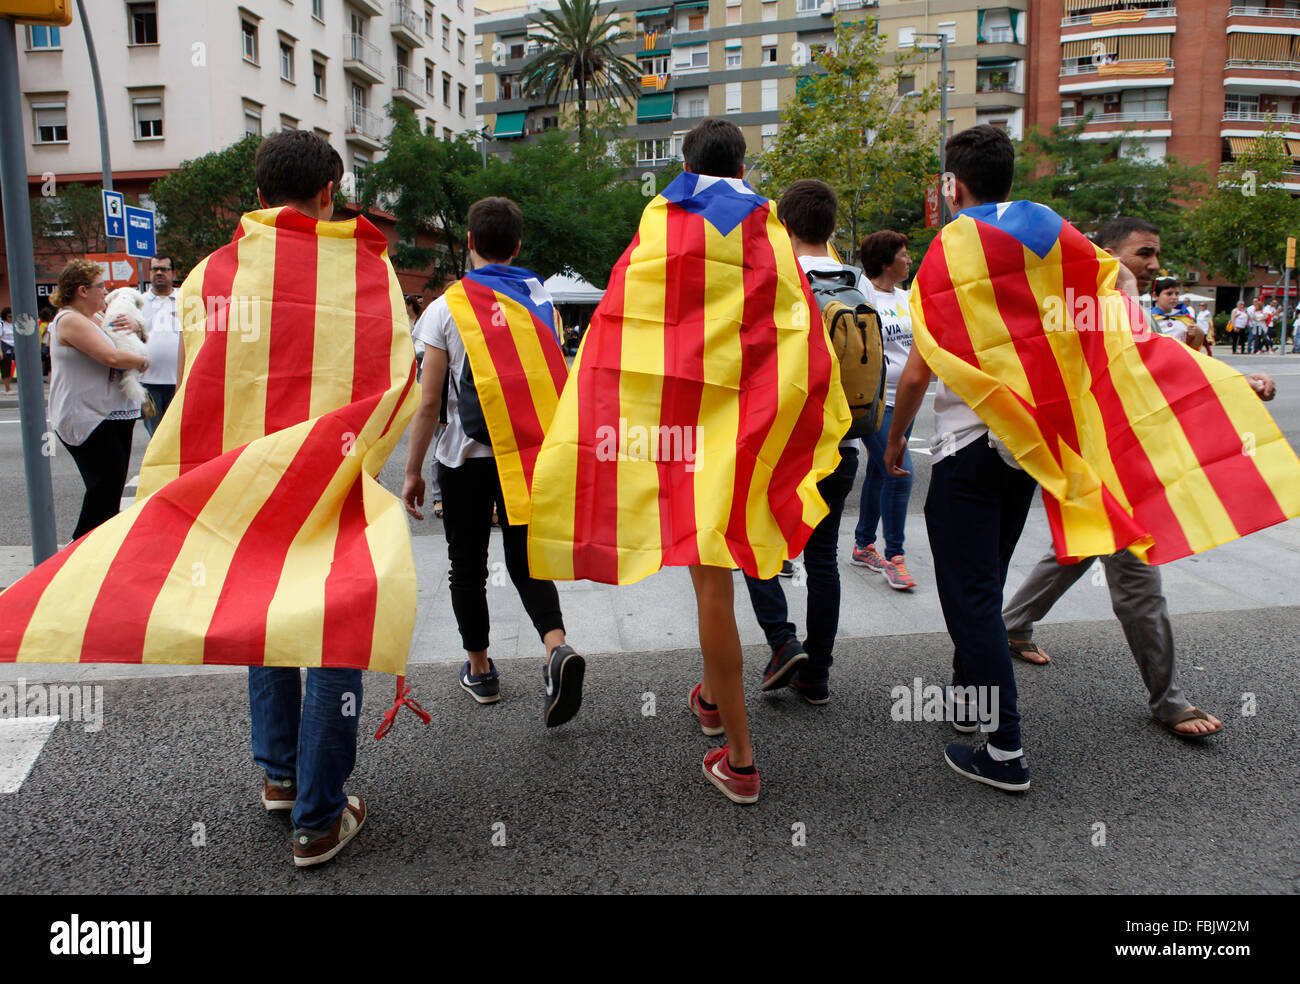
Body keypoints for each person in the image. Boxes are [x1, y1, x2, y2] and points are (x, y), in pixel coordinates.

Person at [526, 118, 849, 805]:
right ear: (742, 163)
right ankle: (709, 699)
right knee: (717, 577)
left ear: (686, 160)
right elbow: (799, 338)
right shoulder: (772, 230)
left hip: (682, 431)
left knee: (712, 588)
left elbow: (621, 326)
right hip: (742, 429)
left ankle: (741, 760)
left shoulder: (662, 219)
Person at [1000, 215, 1279, 739]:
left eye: (1155, 255)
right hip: (1103, 464)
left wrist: (1235, 381)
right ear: (1104, 253)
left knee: (1082, 548)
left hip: (1105, 458)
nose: (1154, 265)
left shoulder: (1105, 300)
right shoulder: (1098, 302)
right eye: (1143, 254)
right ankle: (1170, 701)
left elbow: (1156, 368)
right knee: (1137, 572)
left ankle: (1011, 624)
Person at [885, 125, 1040, 792]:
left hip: (967, 445)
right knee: (985, 585)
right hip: (1026, 446)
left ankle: (1005, 751)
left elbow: (918, 371)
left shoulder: (954, 249)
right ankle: (966, 696)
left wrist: (895, 443)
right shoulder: (1043, 242)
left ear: (954, 185)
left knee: (970, 597)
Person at [402, 197, 584, 724]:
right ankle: (555, 649)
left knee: (468, 567)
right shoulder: (542, 300)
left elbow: (429, 401)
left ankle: (480, 670)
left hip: (465, 459)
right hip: (526, 456)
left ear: (471, 242)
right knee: (529, 560)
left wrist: (413, 471)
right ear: (518, 245)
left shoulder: (446, 307)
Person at [741, 179, 860, 704]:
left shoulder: (778, 284)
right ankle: (819, 674)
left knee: (749, 542)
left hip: (784, 450)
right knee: (824, 559)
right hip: (844, 448)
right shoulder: (856, 285)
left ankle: (783, 641)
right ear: (831, 228)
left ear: (782, 227)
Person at [46, 259, 147, 540]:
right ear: (81, 291)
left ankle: (97, 550)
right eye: (100, 286)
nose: (106, 292)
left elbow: (122, 337)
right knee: (103, 487)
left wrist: (134, 328)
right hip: (86, 415)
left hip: (111, 412)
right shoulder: (69, 320)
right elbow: (110, 356)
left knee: (111, 488)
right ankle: (79, 549)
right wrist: (143, 361)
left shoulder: (95, 318)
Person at [850, 230, 917, 590]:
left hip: (906, 402)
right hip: (876, 403)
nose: (909, 259)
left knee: (880, 470)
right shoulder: (863, 295)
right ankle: (896, 557)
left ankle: (863, 545)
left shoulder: (908, 298)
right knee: (899, 472)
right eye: (904, 254)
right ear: (886, 261)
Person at [139, 255, 180, 437]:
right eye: (155, 269)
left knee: (176, 435)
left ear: (173, 273)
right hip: (148, 382)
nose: (159, 273)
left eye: (164, 269)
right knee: (155, 436)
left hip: (179, 382)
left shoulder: (186, 299)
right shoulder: (137, 302)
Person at [1148, 276, 1196, 346]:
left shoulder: (1184, 316)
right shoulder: (1147, 317)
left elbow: (1191, 346)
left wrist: (1192, 335)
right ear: (1155, 295)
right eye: (1169, 294)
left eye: (1176, 294)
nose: (1174, 297)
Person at [0, 306, 13, 393]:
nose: (11, 319)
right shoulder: (2, 324)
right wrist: (0, 350)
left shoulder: (15, 323)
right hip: (5, 346)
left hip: (15, 346)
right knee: (6, 367)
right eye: (9, 317)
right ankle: (7, 387)